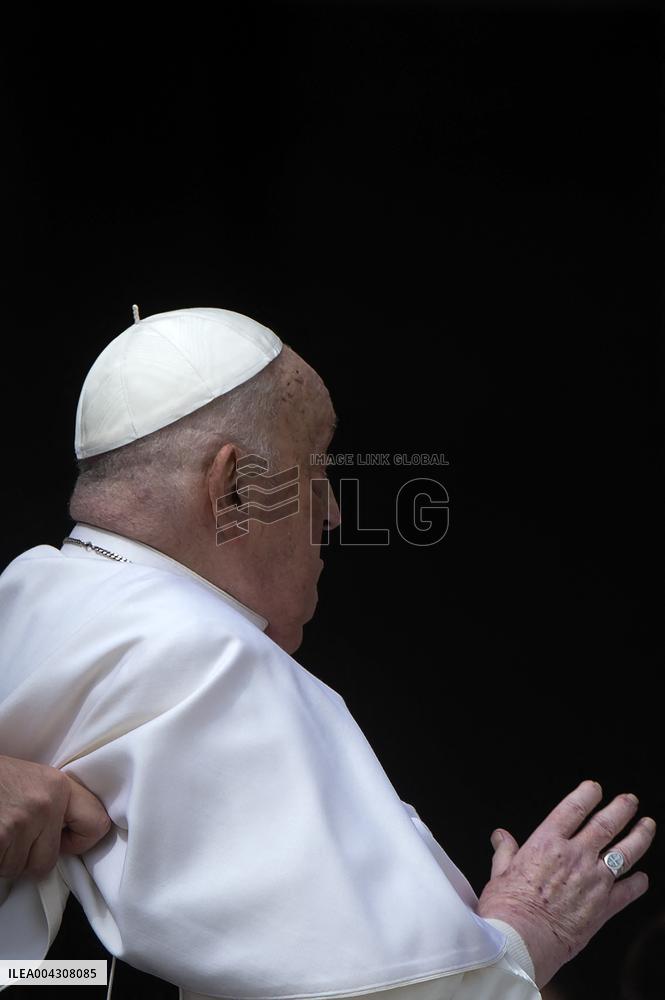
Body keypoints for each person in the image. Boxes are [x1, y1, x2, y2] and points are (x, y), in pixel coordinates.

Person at [0, 306, 656, 1000]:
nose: (335, 512)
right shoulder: (207, 660)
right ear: (233, 488)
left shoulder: (26, 592)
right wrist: (525, 935)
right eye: (316, 467)